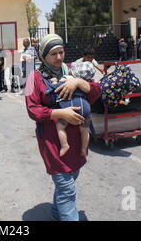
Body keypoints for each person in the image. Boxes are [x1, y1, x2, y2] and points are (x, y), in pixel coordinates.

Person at [25, 34, 101, 221]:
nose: (59, 57)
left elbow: (97, 92)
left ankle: (56, 213)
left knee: (71, 177)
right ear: (43, 56)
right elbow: (32, 110)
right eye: (53, 54)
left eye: (61, 52)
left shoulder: (73, 71)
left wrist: (79, 83)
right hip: (53, 142)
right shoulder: (32, 78)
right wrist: (59, 114)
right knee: (67, 188)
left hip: (76, 141)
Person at [45, 60, 96, 158]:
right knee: (85, 131)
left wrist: (54, 82)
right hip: (86, 109)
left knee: (60, 126)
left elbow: (56, 89)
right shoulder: (88, 83)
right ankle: (84, 149)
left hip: (71, 109)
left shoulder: (67, 79)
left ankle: (65, 145)